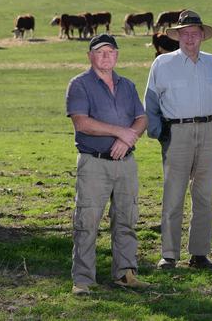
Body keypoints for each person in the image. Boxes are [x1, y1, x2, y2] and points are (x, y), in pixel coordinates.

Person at [144, 10, 212, 271]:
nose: (190, 38)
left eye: (195, 33)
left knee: (204, 196)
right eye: (185, 33)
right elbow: (150, 104)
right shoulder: (162, 64)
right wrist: (161, 135)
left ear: (202, 36)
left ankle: (200, 254)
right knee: (173, 194)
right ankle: (169, 255)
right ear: (177, 35)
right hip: (177, 134)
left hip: (208, 132)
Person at [65, 34, 150, 295]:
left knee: (126, 218)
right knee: (87, 219)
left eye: (111, 51)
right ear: (90, 56)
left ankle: (125, 273)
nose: (106, 56)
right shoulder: (79, 84)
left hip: (125, 163)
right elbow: (82, 122)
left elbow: (142, 118)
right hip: (94, 163)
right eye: (100, 52)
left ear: (117, 55)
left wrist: (127, 139)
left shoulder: (127, 85)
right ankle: (83, 280)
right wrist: (119, 132)